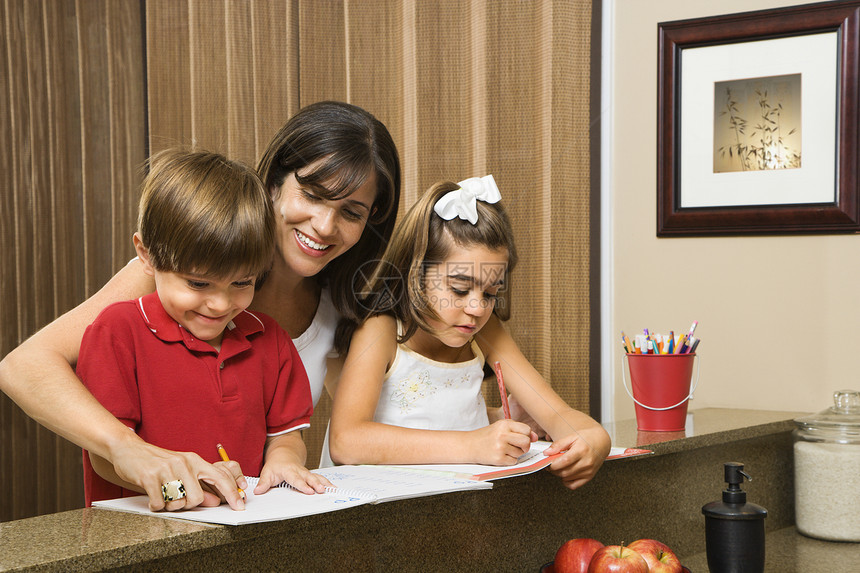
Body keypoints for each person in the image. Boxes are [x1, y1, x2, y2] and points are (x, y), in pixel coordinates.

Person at [0, 101, 400, 511]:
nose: (325, 225)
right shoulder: (167, 272)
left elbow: (328, 433)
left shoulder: (341, 309)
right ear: (274, 183)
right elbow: (23, 367)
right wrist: (129, 449)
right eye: (313, 195)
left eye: (351, 213)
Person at [78, 148, 331, 508]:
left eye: (242, 283)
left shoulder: (269, 338)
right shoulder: (117, 332)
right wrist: (185, 483)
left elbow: (286, 437)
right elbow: (105, 459)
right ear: (146, 256)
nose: (220, 304)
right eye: (198, 284)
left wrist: (283, 461)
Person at [328, 175, 611, 490]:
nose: (477, 308)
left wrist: (594, 438)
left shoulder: (486, 332)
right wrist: (473, 445)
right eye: (460, 289)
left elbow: (559, 414)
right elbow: (346, 441)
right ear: (414, 274)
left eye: (490, 293)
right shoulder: (380, 330)